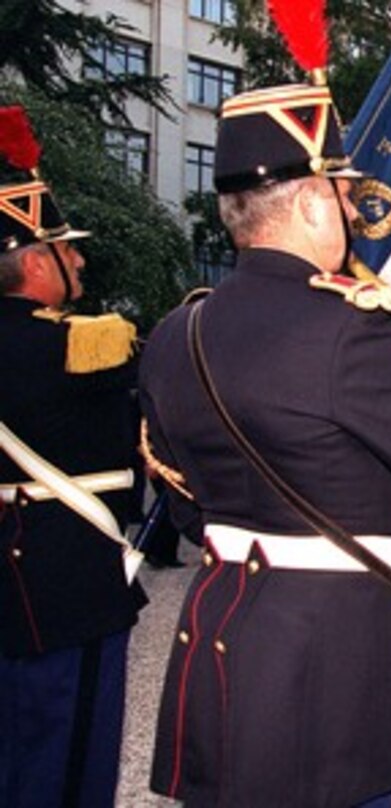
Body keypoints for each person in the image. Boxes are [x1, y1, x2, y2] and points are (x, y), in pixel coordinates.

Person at [138, 70, 391, 806]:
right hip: (328, 657)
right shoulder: (351, 331)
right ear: (313, 200)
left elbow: (184, 503)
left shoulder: (173, 333)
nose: (353, 206)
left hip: (215, 637)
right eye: (343, 191)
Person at [0, 106, 147, 807]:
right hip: (69, 586)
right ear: (35, 262)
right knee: (69, 759)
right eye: (68, 248)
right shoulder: (86, 346)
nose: (81, 259)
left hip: (12, 576)